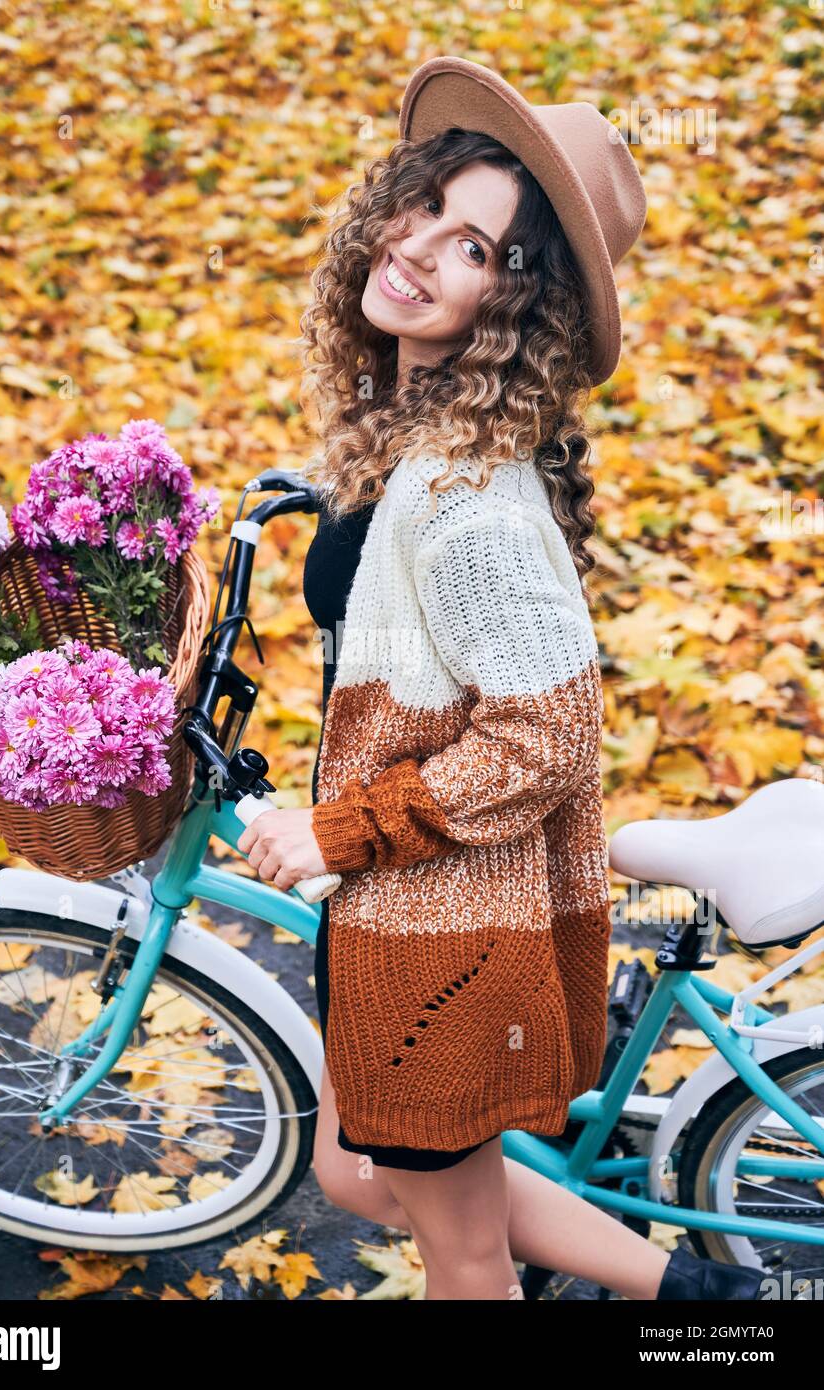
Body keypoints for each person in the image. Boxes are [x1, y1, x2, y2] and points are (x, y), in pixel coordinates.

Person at [237, 56, 773, 1302]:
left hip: (446, 925)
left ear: (514, 306)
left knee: (461, 1249)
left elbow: (544, 740)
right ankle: (698, 1298)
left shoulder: (466, 496)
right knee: (364, 1174)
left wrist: (336, 828)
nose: (418, 247)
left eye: (472, 247)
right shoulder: (424, 435)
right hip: (404, 913)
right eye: (425, 207)